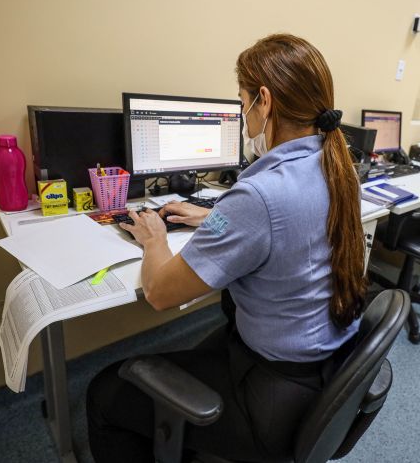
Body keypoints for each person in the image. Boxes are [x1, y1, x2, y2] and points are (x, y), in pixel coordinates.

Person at [86, 33, 367, 462]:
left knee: (105, 392)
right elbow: (283, 226)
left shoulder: (259, 197)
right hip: (324, 366)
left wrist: (154, 239)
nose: (244, 115)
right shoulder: (334, 166)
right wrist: (215, 218)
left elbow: (160, 293)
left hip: (273, 400)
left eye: (242, 101)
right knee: (201, 346)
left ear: (264, 100)